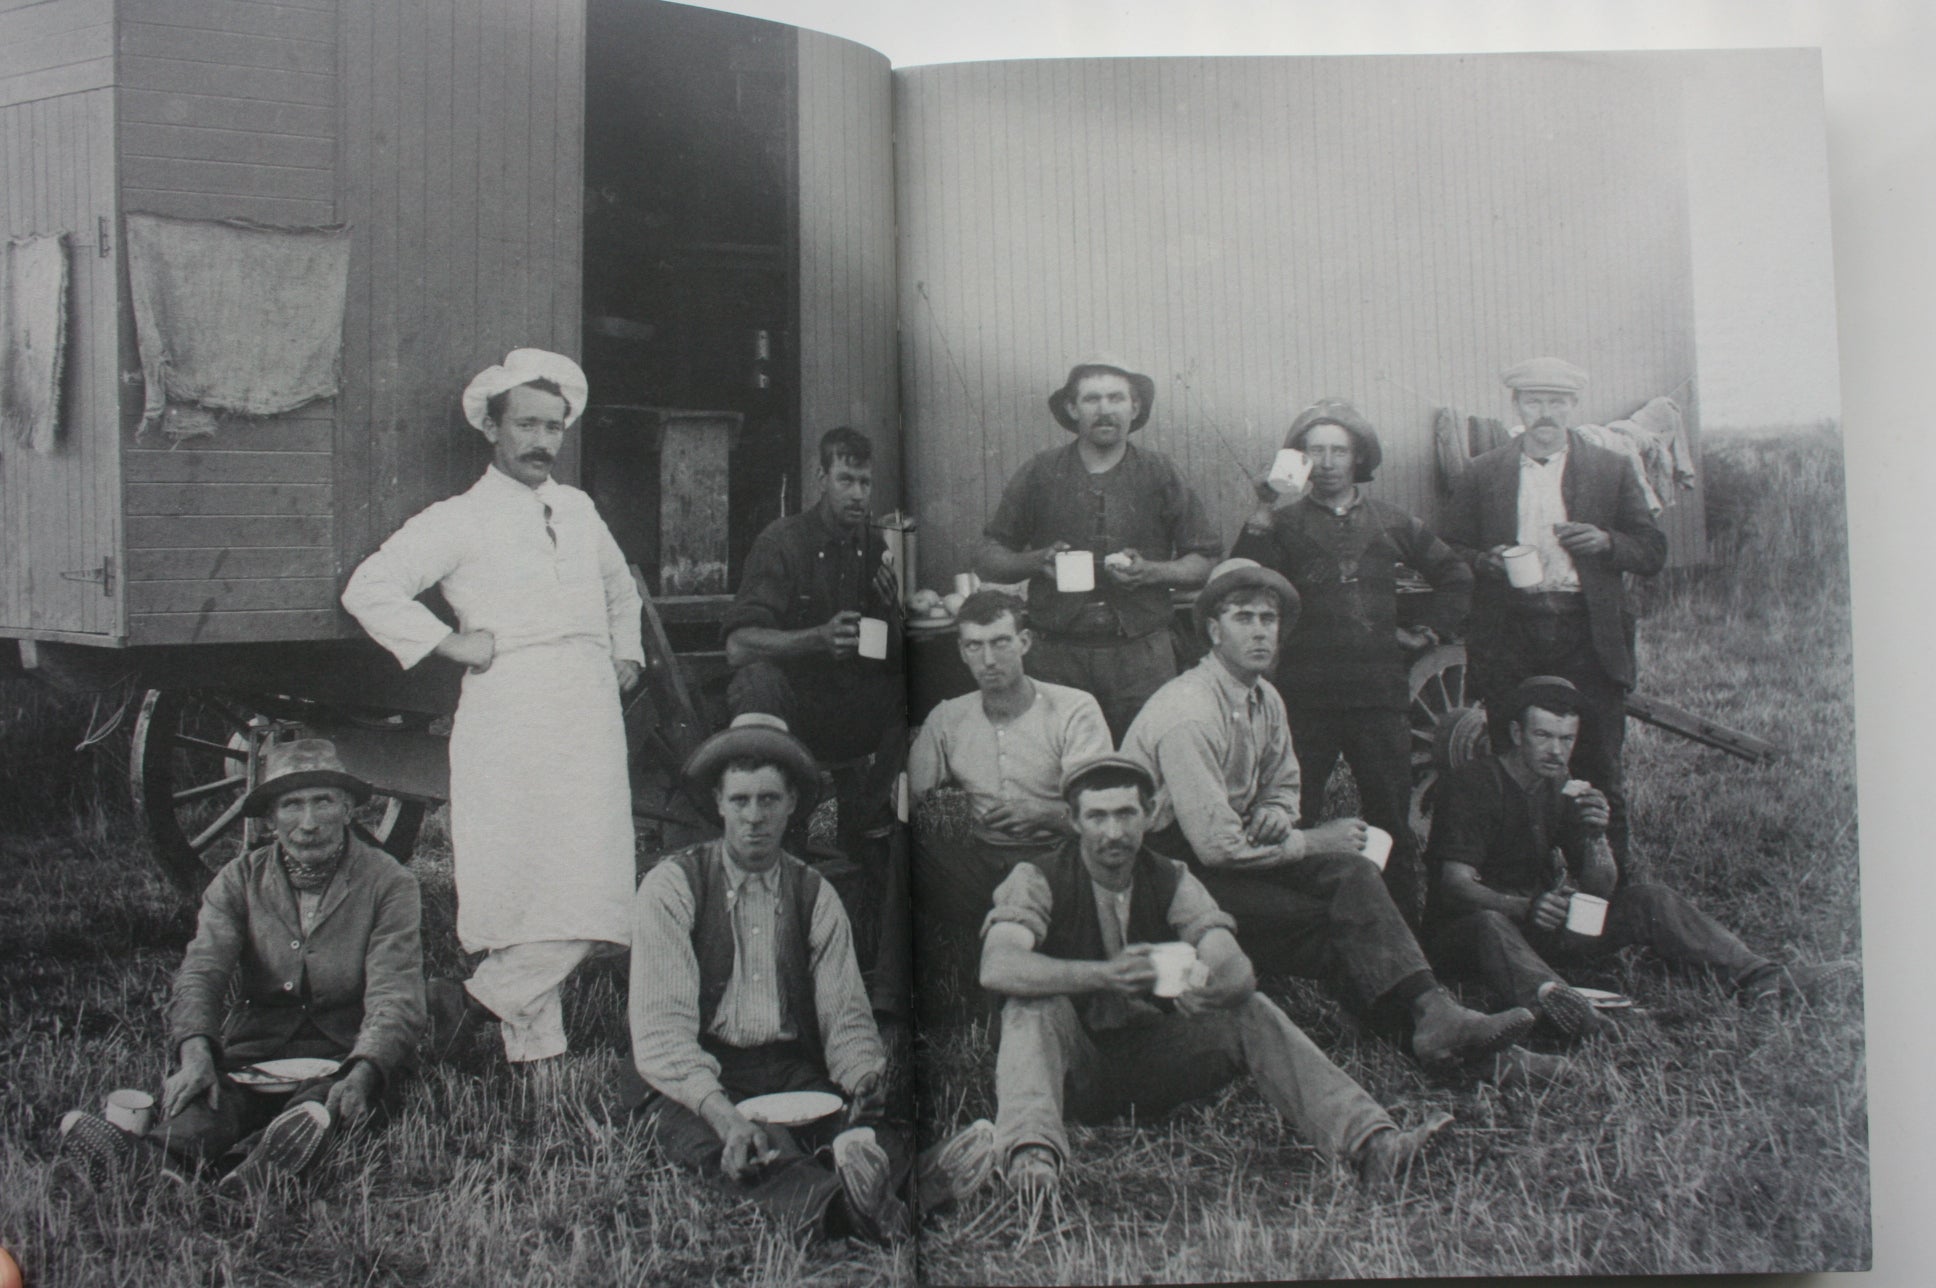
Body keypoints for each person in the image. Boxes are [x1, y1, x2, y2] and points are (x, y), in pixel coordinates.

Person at [341, 348, 642, 1067]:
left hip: (589, 712)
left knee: (597, 885)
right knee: (519, 885)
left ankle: (468, 1002)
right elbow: (370, 588)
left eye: (554, 426)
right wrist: (450, 643)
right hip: (511, 711)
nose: (543, 442)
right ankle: (537, 1058)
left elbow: (619, 588)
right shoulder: (461, 518)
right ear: (492, 428)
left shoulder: (577, 507)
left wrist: (625, 651)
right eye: (527, 425)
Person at [1121, 558, 1534, 1070]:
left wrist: (1275, 811)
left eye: (1267, 620)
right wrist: (1313, 840)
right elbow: (1214, 847)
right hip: (1164, 873)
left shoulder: (1264, 697)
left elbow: (1285, 784)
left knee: (1353, 871)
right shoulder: (1188, 712)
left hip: (1230, 848)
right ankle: (1445, 1042)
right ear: (1212, 630)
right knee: (1331, 918)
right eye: (1242, 618)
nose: (1258, 633)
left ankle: (1436, 1013)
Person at [980, 753, 1454, 1199]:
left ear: (1149, 814)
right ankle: (1030, 1163)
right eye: (1097, 817)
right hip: (1069, 1068)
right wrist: (1104, 976)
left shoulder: (1172, 877)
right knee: (1031, 1006)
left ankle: (1373, 1144)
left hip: (1154, 1062)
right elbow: (998, 966)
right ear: (1073, 821)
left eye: (1125, 814)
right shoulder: (1038, 876)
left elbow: (1234, 965)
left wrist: (1215, 992)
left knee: (1251, 1007)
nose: (1112, 833)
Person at [623, 714, 994, 1242]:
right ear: (718, 804)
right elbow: (663, 1036)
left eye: (769, 799)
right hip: (693, 1080)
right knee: (752, 1152)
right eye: (740, 800)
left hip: (786, 1069)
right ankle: (849, 1209)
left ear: (793, 803)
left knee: (855, 1126)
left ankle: (914, 1177)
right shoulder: (673, 888)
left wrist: (863, 1079)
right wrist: (727, 1118)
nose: (755, 817)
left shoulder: (814, 893)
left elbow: (844, 1014)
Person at [58, 739, 426, 1191]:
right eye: (291, 805)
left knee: (319, 1108)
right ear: (270, 819)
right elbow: (203, 970)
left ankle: (254, 1168)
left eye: (323, 802)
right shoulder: (237, 879)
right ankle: (152, 1160)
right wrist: (195, 1054)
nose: (308, 824)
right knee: (214, 1096)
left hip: (345, 1046)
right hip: (259, 1046)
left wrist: (365, 1070)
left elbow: (396, 989)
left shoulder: (390, 882)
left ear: (348, 809)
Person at [1424, 677, 1854, 1035]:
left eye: (1566, 739)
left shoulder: (1561, 784)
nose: (1556, 751)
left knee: (1649, 898)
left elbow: (1600, 888)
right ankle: (1564, 1008)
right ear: (1517, 734)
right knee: (1489, 924)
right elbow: (1454, 886)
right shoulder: (1474, 784)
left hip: (1541, 924)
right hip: (1471, 934)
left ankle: (1763, 978)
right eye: (1543, 736)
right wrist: (1525, 906)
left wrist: (1596, 836)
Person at [1230, 397, 1471, 926]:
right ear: (1301, 460)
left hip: (1379, 699)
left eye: (1341, 450)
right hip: (1306, 696)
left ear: (1359, 458)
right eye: (1317, 450)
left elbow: (1455, 574)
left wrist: (1428, 629)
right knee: (1298, 816)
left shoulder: (1392, 522)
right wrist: (1263, 512)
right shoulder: (1284, 524)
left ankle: (1403, 926)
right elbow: (1239, 581)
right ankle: (1302, 927)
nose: (1330, 460)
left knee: (1389, 818)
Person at [1440, 358, 1667, 868]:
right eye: (1534, 402)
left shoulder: (1611, 469)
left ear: (1573, 406)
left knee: (1598, 770)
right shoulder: (1483, 472)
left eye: (1556, 402)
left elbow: (1652, 550)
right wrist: (1486, 561)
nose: (1545, 413)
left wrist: (1607, 541)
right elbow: (1447, 548)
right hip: (1511, 633)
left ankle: (1613, 899)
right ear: (1517, 406)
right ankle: (1516, 891)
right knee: (1511, 768)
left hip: (1585, 633)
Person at [722, 425, 910, 1014]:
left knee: (913, 696)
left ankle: (863, 817)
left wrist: (892, 611)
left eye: (866, 482)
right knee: (756, 680)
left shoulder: (874, 546)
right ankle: (776, 817)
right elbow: (739, 645)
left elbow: (878, 654)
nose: (858, 494)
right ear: (820, 479)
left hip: (843, 708)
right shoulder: (782, 541)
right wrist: (815, 639)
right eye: (847, 480)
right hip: (788, 713)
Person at [977, 355, 1222, 739]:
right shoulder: (1041, 472)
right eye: (1092, 399)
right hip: (1057, 656)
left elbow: (1204, 559)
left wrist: (1152, 572)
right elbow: (988, 556)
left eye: (1116, 398)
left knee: (1146, 766)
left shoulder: (1160, 472)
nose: (1104, 410)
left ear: (1135, 407)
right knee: (1056, 772)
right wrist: (1036, 560)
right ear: (1073, 408)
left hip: (1142, 657)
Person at [907, 589, 1112, 930]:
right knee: (906, 848)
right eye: (974, 645)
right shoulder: (948, 717)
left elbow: (1104, 813)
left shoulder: (1074, 709)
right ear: (961, 651)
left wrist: (1045, 815)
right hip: (985, 860)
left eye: (1001, 642)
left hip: (1060, 856)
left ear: (1025, 642)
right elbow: (910, 797)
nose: (988, 660)